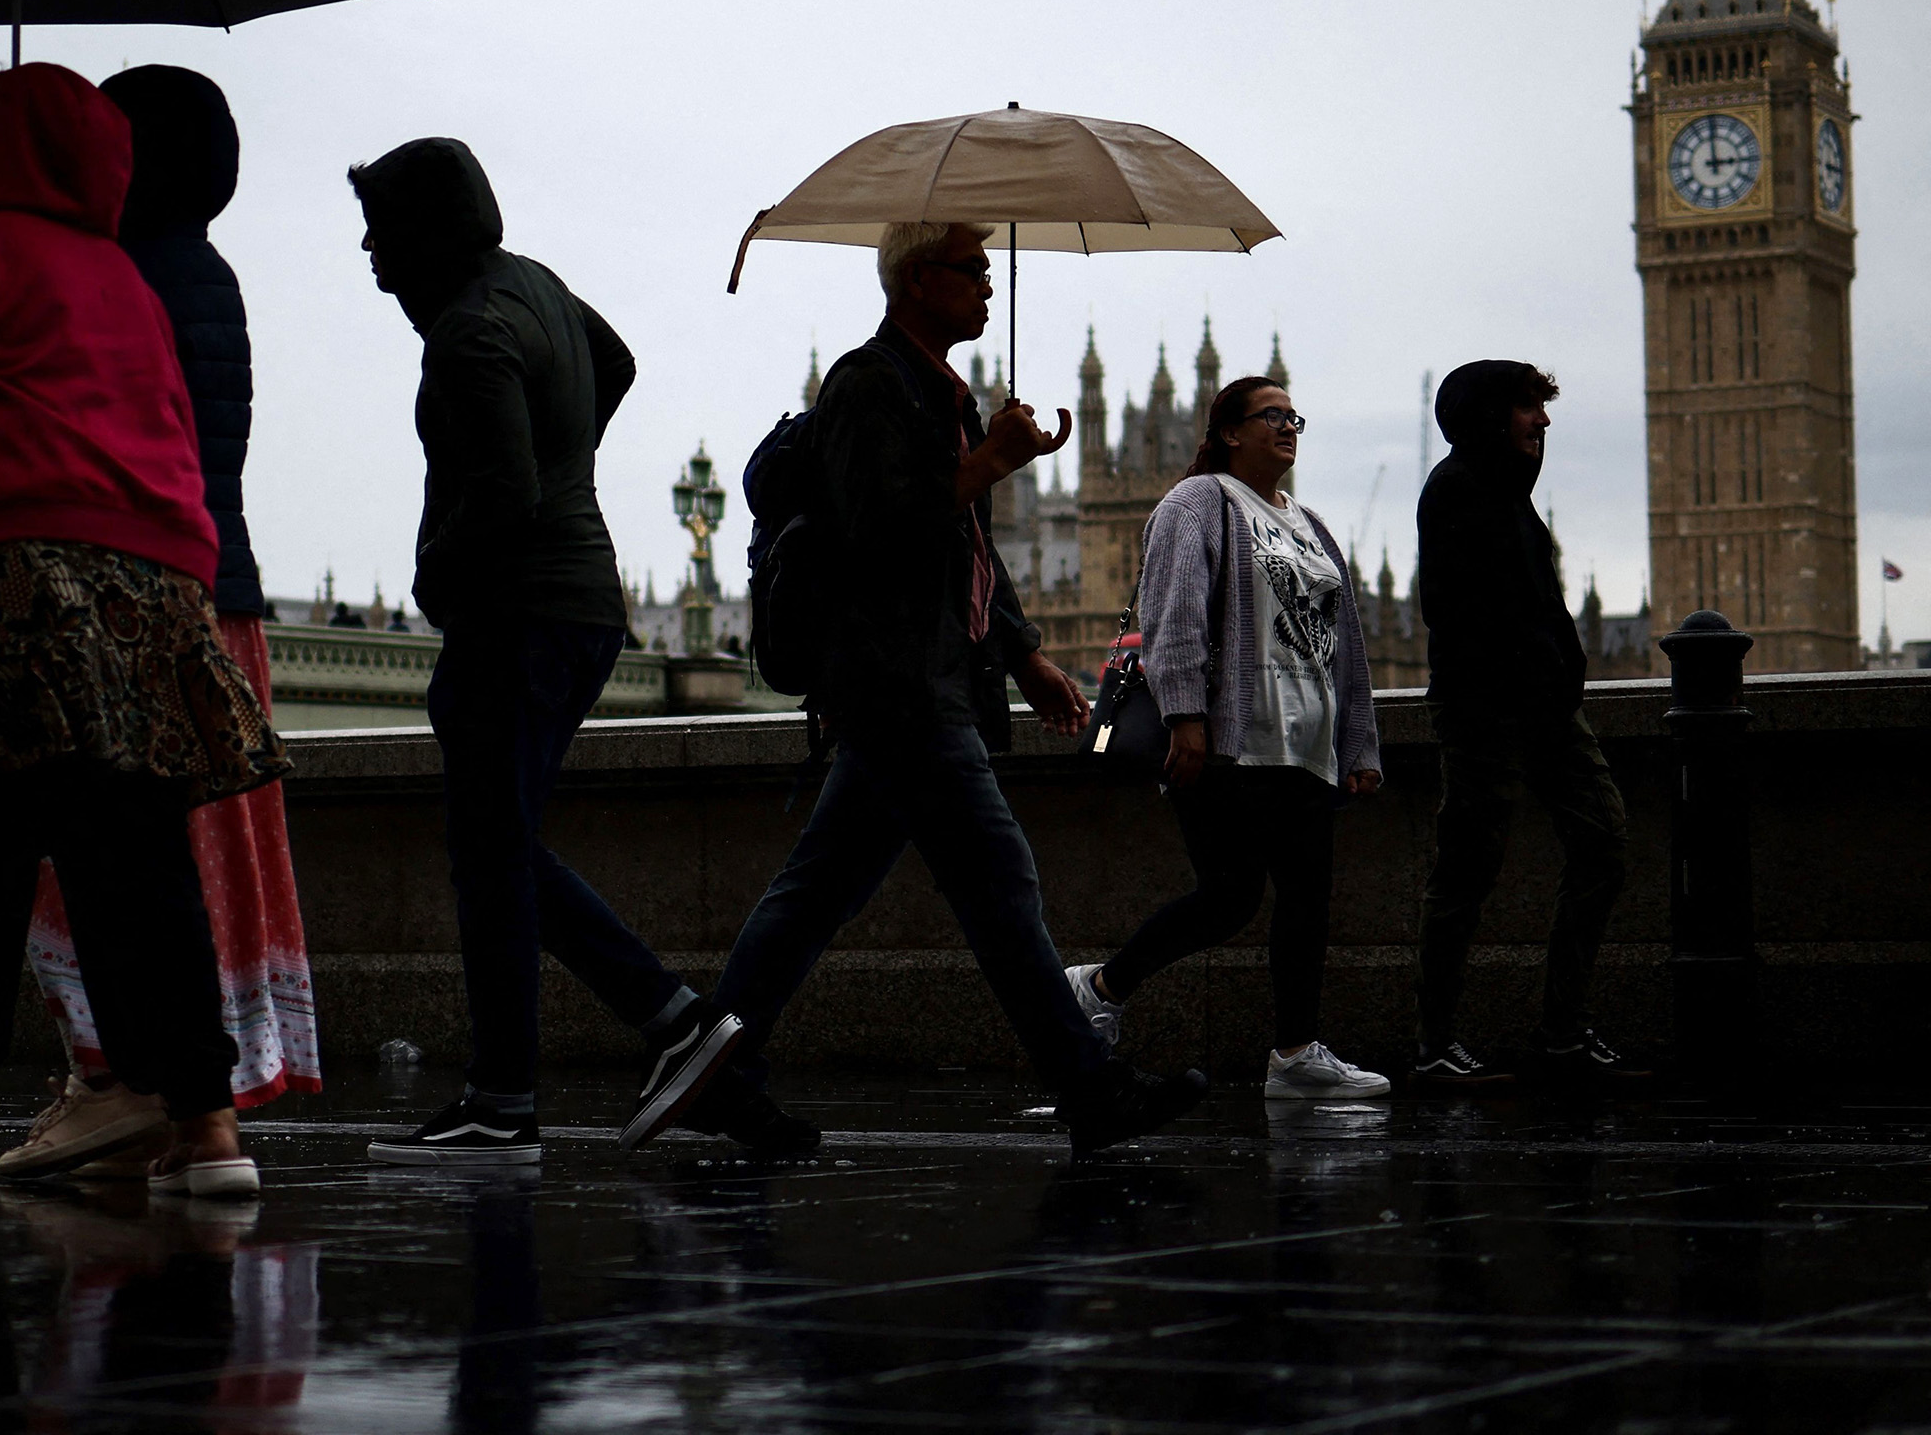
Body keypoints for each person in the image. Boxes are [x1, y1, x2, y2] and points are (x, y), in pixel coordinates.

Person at [0, 63, 283, 1201]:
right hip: (157, 581)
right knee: (138, 855)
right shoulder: (125, 276)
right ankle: (207, 1125)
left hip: (16, 581)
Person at [649, 220, 1208, 1160]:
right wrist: (990, 461)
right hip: (900, 686)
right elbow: (882, 532)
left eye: (992, 270)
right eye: (971, 269)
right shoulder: (868, 384)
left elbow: (967, 553)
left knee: (816, 894)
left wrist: (1025, 652)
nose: (988, 285)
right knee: (998, 884)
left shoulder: (940, 393)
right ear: (918, 280)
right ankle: (1089, 1086)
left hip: (923, 683)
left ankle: (716, 1072)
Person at [346, 136, 741, 1168]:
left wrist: (437, 574)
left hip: (515, 615)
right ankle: (651, 1026)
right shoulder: (535, 286)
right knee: (501, 842)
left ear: (425, 236)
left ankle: (513, 1093)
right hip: (586, 605)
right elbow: (614, 363)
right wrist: (574, 457)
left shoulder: (469, 336)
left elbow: (505, 500)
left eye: (381, 233)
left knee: (490, 853)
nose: (371, 256)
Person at [0, 66, 321, 1183]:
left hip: (129, 602)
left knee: (107, 863)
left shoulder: (114, 275)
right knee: (202, 866)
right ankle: (197, 1123)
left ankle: (111, 1086)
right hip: (223, 594)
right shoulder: (212, 276)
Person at [1064, 376, 1391, 1098]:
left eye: (1293, 415)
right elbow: (1173, 614)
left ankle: (1295, 1055)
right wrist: (1186, 716)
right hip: (1231, 741)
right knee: (1231, 896)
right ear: (1229, 432)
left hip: (1306, 744)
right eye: (1270, 415)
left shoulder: (1309, 523)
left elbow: (1348, 646)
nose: (1287, 426)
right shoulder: (1197, 503)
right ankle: (1101, 987)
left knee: (1308, 901)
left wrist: (1360, 745)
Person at [1411, 361, 1644, 1090]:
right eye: (1527, 409)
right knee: (1466, 873)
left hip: (1549, 710)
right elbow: (1459, 614)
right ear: (1489, 417)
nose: (1542, 422)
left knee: (1605, 846)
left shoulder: (1513, 497)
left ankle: (1562, 1032)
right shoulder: (1455, 491)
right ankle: (1435, 1044)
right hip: (1487, 711)